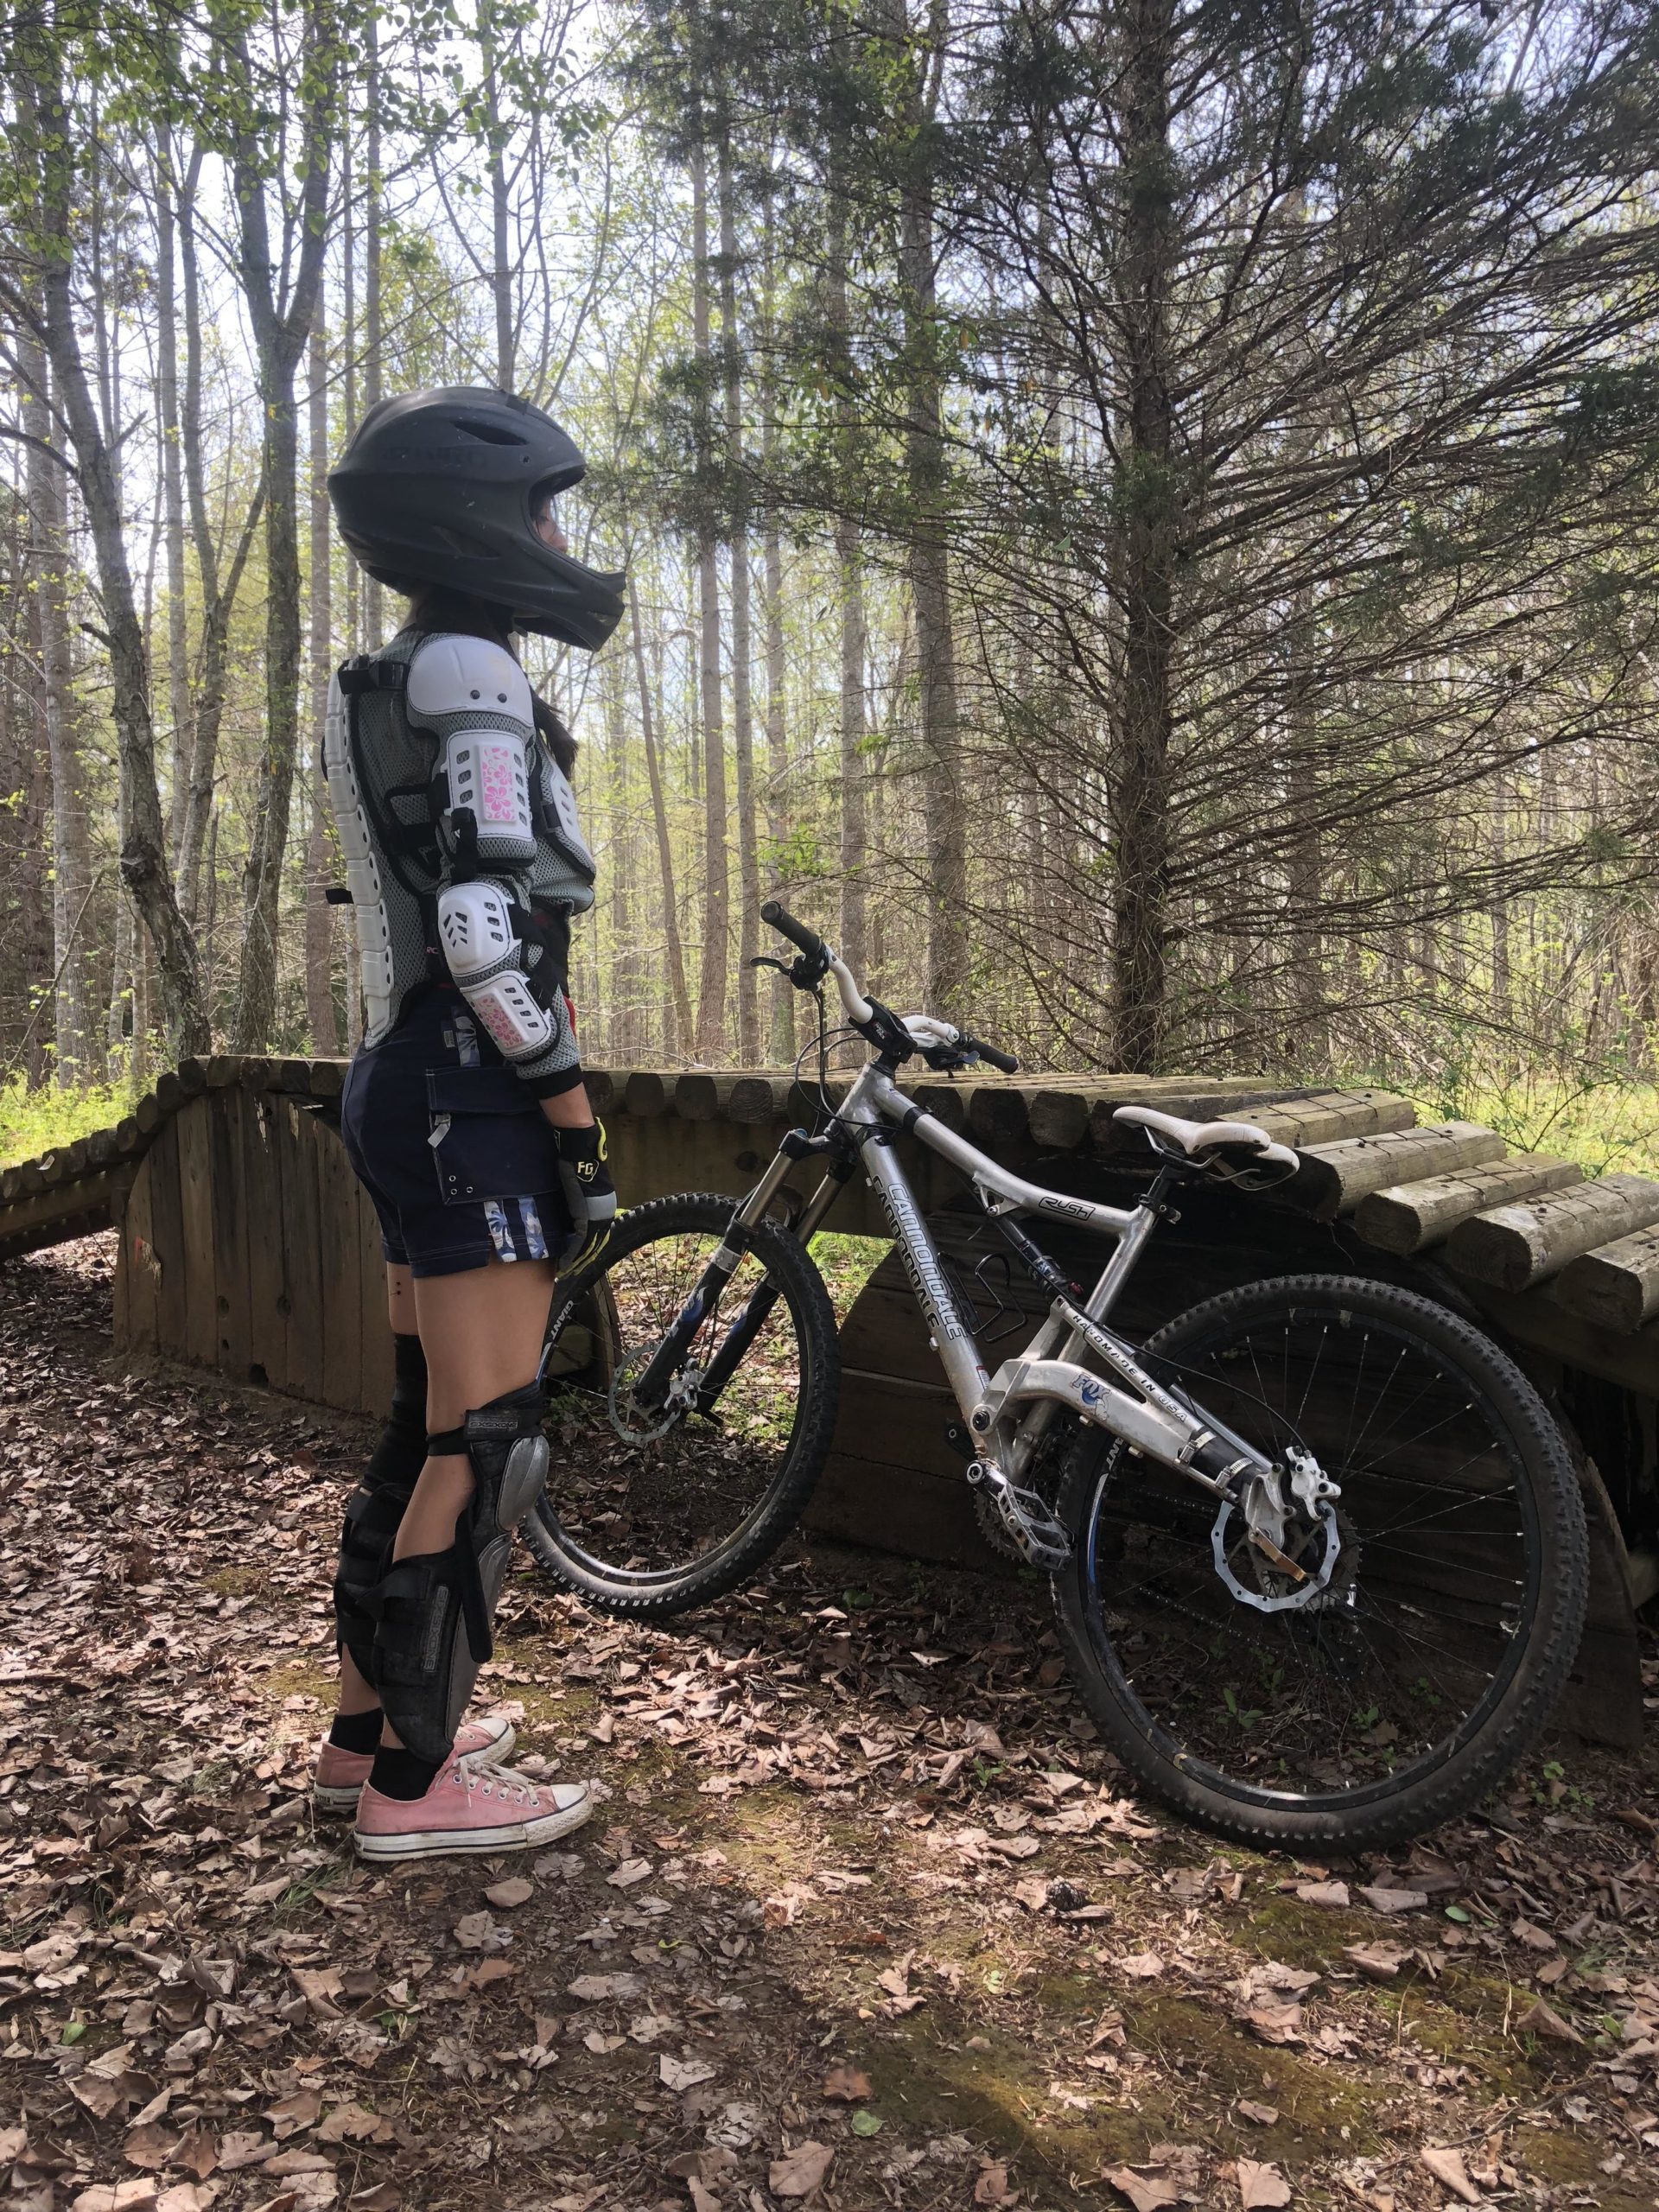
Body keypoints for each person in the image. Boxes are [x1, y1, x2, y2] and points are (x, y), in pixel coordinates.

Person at [312, 386, 626, 1862]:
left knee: (422, 1426)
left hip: (403, 1078)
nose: (561, 540)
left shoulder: (391, 676)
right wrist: (568, 1109)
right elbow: (484, 927)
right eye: (544, 512)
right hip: (465, 1086)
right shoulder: (473, 676)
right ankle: (417, 1792)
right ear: (480, 520)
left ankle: (368, 1737)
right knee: (488, 1440)